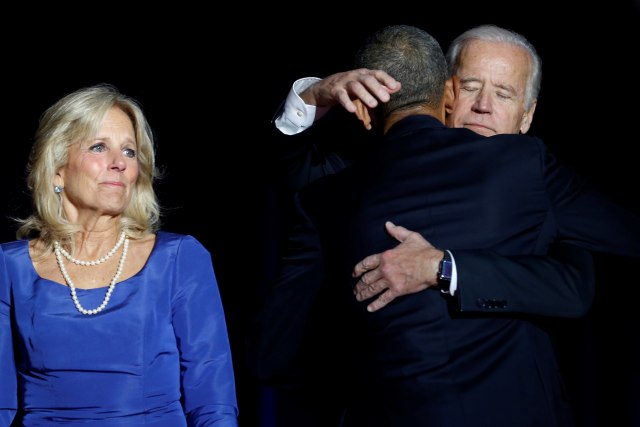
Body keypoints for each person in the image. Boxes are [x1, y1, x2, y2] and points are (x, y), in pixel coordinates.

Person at [255, 24, 640, 426]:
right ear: (446, 93)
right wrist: (312, 97)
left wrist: (444, 268)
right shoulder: (354, 182)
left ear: (527, 117)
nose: (483, 106)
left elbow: (578, 286)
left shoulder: (540, 181)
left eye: (504, 93)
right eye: (471, 87)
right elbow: (294, 175)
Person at [0, 84, 239, 426]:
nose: (119, 164)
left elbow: (213, 403)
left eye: (129, 152)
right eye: (99, 147)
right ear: (57, 170)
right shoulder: (9, 268)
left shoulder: (178, 259)